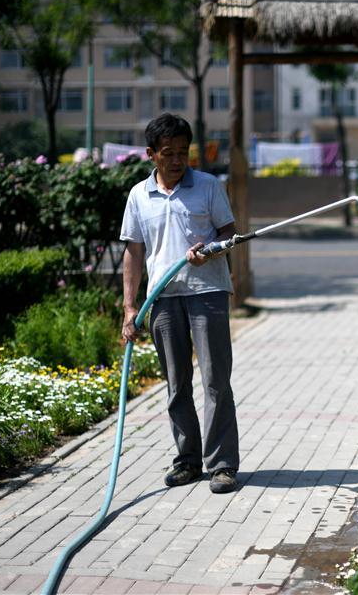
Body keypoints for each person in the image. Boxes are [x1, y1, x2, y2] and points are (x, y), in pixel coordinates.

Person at [120, 113, 239, 494]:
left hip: (207, 293)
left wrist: (211, 251)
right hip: (163, 299)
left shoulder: (207, 186)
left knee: (216, 381)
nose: (176, 160)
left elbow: (228, 232)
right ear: (151, 154)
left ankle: (221, 466)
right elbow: (134, 253)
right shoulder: (140, 195)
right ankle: (187, 461)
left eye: (182, 152)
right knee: (176, 384)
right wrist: (129, 308)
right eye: (167, 153)